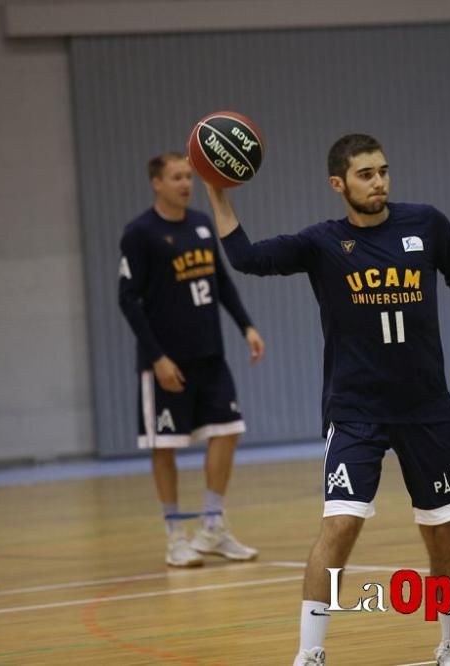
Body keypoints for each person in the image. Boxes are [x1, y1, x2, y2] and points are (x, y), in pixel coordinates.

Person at [203, 133, 450, 666]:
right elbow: (246, 258)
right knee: (339, 525)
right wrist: (219, 194)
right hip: (355, 410)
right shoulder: (322, 243)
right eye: (365, 174)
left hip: (425, 407)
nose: (378, 181)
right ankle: (309, 655)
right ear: (339, 184)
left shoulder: (426, 224)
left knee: (441, 530)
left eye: (382, 171)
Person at [118, 152, 265, 568]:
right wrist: (157, 358)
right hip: (167, 361)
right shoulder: (140, 233)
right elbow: (128, 300)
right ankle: (174, 536)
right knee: (165, 446)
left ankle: (213, 527)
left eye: (189, 176)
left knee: (228, 430)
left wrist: (246, 326)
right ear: (157, 183)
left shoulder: (202, 223)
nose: (186, 183)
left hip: (210, 354)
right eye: (178, 177)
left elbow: (220, 280)